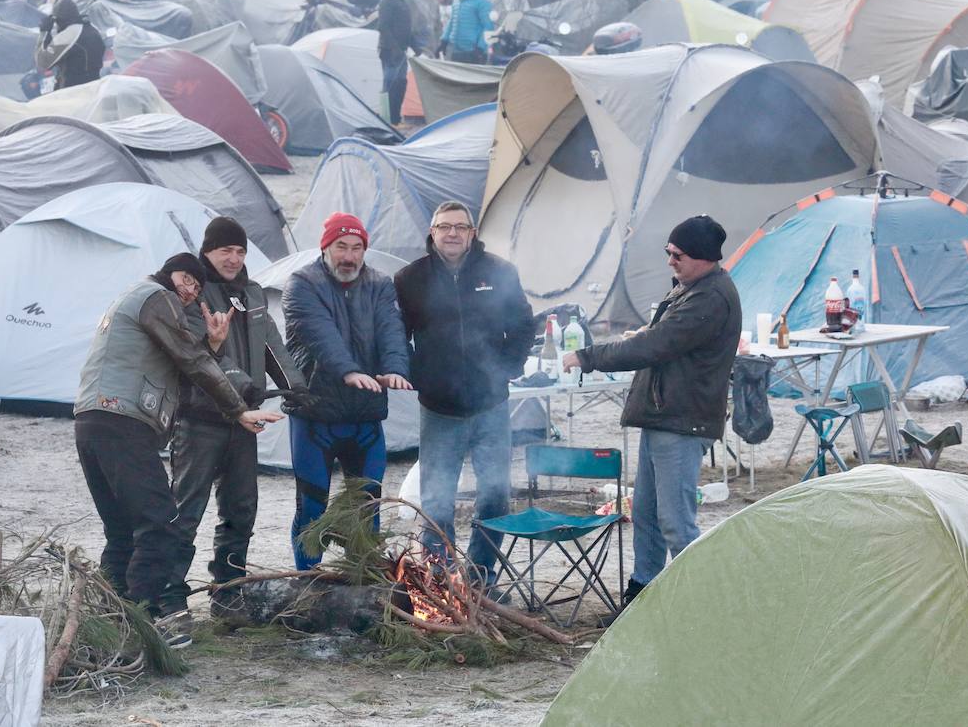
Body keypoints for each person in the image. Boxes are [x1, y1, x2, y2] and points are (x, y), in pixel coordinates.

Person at [74, 252, 283, 645]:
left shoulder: (138, 300)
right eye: (186, 279)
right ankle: (148, 619)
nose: (189, 291)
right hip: (122, 421)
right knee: (160, 521)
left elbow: (183, 361)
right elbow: (190, 360)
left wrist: (214, 345)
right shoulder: (157, 296)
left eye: (196, 287)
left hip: (91, 423)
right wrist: (238, 409)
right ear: (170, 272)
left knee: (122, 529)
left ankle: (111, 623)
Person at [562, 215, 741, 616]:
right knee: (644, 514)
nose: (670, 261)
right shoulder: (689, 288)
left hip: (682, 420)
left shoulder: (711, 298)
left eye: (678, 255)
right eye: (668, 253)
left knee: (677, 523)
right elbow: (664, 341)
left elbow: (657, 345)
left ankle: (707, 609)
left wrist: (587, 357)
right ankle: (642, 603)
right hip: (663, 417)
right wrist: (641, 339)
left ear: (704, 257)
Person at [165, 217, 310, 613]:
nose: (233, 258)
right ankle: (168, 595)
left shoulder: (254, 292)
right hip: (200, 419)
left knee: (241, 509)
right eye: (225, 250)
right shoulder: (194, 292)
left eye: (240, 250)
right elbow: (200, 352)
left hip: (242, 423)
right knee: (185, 511)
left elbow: (271, 346)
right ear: (207, 251)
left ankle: (228, 593)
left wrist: (298, 389)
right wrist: (245, 388)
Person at [394, 201, 534, 587]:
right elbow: (396, 334)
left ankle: (479, 575)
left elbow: (524, 324)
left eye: (461, 227)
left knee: (495, 496)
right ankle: (440, 578)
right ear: (432, 232)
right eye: (445, 227)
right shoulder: (410, 279)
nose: (452, 233)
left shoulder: (500, 272)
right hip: (439, 408)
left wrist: (507, 367)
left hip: (491, 405)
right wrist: (415, 372)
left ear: (473, 233)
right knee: (437, 500)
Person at [281, 213, 412, 569]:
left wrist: (396, 368)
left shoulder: (379, 284)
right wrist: (349, 371)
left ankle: (362, 578)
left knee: (367, 503)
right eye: (341, 246)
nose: (349, 256)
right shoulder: (301, 284)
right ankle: (308, 582)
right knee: (312, 505)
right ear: (326, 248)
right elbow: (320, 335)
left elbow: (390, 329)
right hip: (315, 416)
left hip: (365, 417)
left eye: (357, 248)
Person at [377, 0, 418, 126]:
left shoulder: (402, 1)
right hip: (390, 52)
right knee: (390, 85)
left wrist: (414, 45)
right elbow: (383, 27)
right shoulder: (387, 2)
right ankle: (388, 121)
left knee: (400, 84)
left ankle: (395, 119)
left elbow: (406, 28)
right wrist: (394, 48)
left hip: (401, 52)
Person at [38, 0, 106, 90]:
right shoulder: (92, 29)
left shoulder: (69, 34)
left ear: (59, 20)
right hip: (93, 88)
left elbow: (43, 62)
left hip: (71, 93)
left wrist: (44, 32)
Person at [437, 0, 494, 64]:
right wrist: (444, 42)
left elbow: (488, 27)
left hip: (474, 52)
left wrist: (480, 48)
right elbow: (451, 23)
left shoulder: (482, 3)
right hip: (456, 52)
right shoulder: (456, 1)